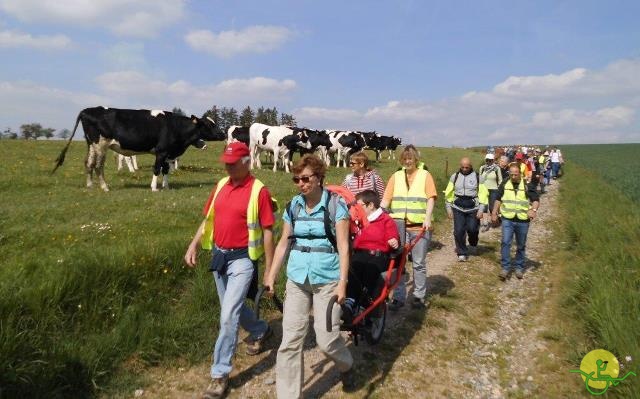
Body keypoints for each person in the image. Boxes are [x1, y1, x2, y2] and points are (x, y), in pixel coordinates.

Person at [184, 142, 275, 399]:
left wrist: (269, 272)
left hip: (243, 261)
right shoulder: (221, 185)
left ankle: (219, 374)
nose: (227, 166)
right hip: (219, 258)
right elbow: (208, 219)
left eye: (233, 162)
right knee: (231, 308)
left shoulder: (259, 191)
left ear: (247, 162)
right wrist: (193, 245)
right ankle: (260, 330)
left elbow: (268, 232)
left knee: (227, 317)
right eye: (225, 162)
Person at [263, 154, 354, 398]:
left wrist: (342, 284)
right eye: (296, 179)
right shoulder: (293, 206)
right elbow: (284, 243)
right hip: (297, 280)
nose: (301, 184)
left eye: (305, 178)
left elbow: (344, 247)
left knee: (326, 340)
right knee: (290, 341)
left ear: (319, 177)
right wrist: (271, 275)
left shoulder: (336, 206)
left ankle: (346, 364)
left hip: (328, 281)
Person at [380, 145, 437, 310]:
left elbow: (431, 198)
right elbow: (386, 200)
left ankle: (419, 296)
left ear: (415, 159)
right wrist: (377, 217)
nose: (407, 162)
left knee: (418, 262)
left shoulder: (425, 175)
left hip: (419, 226)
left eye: (410, 158)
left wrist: (427, 218)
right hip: (398, 226)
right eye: (404, 159)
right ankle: (398, 297)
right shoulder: (396, 176)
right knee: (398, 263)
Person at [344, 189, 400, 317]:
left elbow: (393, 235)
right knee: (353, 269)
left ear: (370, 205)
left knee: (371, 270)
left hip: (379, 255)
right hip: (360, 253)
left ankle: (367, 301)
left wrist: (393, 240)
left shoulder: (385, 220)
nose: (356, 209)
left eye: (359, 206)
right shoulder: (358, 221)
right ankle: (350, 301)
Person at [491, 164, 540, 280]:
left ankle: (519, 267)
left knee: (521, 245)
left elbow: (536, 200)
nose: (513, 176)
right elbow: (498, 199)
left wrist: (533, 210)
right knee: (505, 242)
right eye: (511, 174)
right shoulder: (504, 183)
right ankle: (505, 268)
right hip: (507, 218)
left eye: (515, 174)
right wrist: (494, 213)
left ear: (520, 173)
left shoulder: (527, 185)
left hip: (523, 220)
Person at [444, 157, 488, 262]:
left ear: (470, 166)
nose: (464, 169)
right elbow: (448, 194)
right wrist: (448, 209)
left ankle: (473, 243)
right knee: (458, 231)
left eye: (467, 167)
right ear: (460, 166)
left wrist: (481, 209)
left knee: (472, 229)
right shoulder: (454, 177)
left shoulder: (478, 177)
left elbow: (483, 194)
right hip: (458, 208)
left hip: (473, 208)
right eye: (462, 167)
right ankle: (462, 252)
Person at [478, 153, 502, 231]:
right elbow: (479, 179)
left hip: (494, 189)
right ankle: (485, 223)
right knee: (484, 206)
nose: (488, 162)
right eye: (487, 160)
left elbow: (500, 180)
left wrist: (499, 188)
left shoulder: (496, 168)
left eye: (490, 160)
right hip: (484, 190)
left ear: (493, 160)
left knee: (492, 207)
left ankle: (496, 220)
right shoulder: (482, 168)